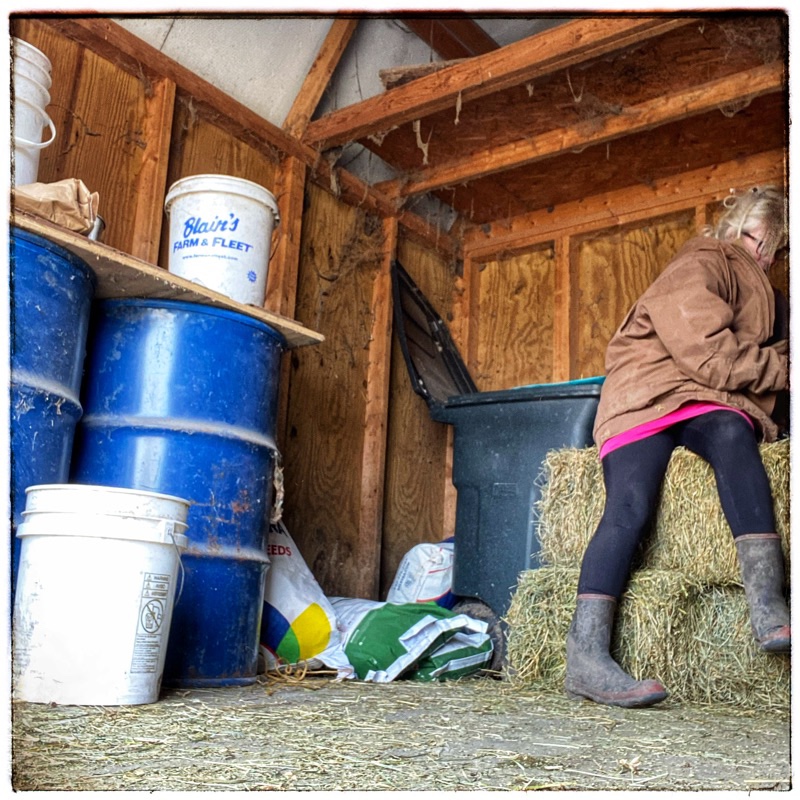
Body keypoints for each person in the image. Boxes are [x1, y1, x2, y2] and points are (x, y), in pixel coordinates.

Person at [564, 185, 790, 709]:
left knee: (734, 434)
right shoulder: (704, 260)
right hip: (647, 391)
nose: (764, 254)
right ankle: (586, 654)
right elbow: (707, 350)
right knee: (629, 506)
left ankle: (766, 605)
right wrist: (780, 370)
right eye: (760, 240)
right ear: (738, 228)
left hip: (706, 396)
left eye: (774, 248)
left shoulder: (765, 294)